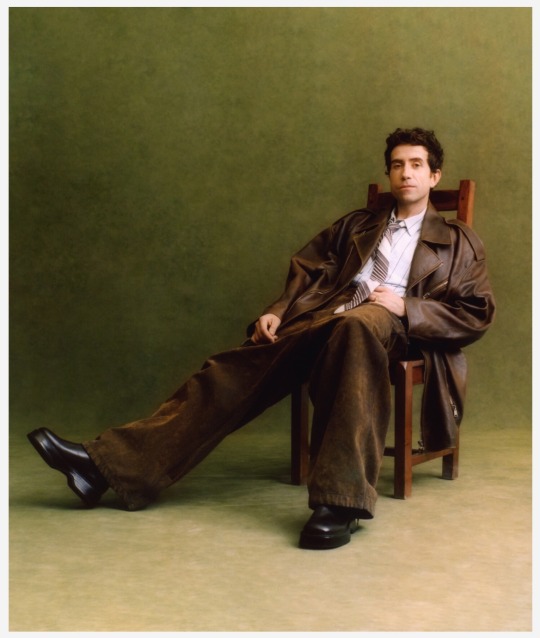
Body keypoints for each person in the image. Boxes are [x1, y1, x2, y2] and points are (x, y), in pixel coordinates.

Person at [27, 127, 495, 550]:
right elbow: (309, 270)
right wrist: (277, 310)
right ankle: (104, 467)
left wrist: (406, 307)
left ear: (434, 175)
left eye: (416, 165)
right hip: (325, 320)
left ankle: (341, 502)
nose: (406, 173)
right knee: (229, 372)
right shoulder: (356, 225)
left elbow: (476, 313)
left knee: (356, 326)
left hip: (391, 328)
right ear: (388, 173)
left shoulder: (459, 242)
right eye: (397, 165)